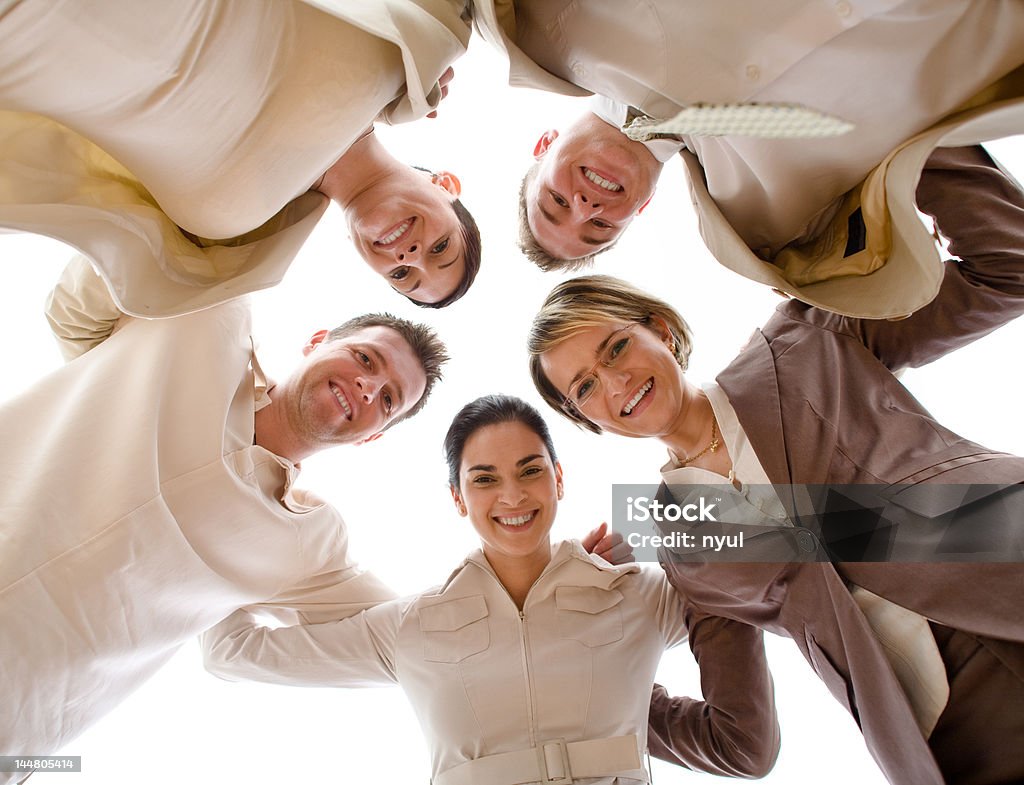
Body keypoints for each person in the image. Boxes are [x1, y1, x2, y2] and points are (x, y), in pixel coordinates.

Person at [526, 145, 1024, 784]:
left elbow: (1006, 266)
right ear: (587, 421)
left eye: (616, 347)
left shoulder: (806, 340)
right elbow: (741, 744)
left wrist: (901, 134)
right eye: (585, 390)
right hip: (953, 733)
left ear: (658, 328)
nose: (615, 383)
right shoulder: (683, 548)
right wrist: (584, 671)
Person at [0, 252, 451, 779]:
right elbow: (78, 307)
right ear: (317, 340)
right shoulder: (207, 322)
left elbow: (415, 639)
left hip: (16, 717)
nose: (367, 388)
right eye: (366, 359)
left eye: (388, 400)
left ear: (374, 434)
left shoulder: (309, 544)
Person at [202, 394, 780, 784]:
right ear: (457, 498)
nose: (512, 497)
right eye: (484, 480)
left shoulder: (638, 596)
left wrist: (663, 532)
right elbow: (229, 653)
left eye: (531, 470)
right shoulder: (408, 626)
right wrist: (241, 527)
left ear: (558, 478)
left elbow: (839, 528)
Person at [471, 0, 1024, 317]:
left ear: (542, 145)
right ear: (639, 210)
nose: (586, 204)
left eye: (556, 201)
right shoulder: (770, 219)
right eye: (597, 227)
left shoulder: (549, 27)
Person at [0, 0, 482, 311]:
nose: (411, 255)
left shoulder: (237, 240)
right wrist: (419, 75)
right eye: (441, 247)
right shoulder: (407, 61)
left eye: (402, 275)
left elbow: (75, 316)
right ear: (446, 185)